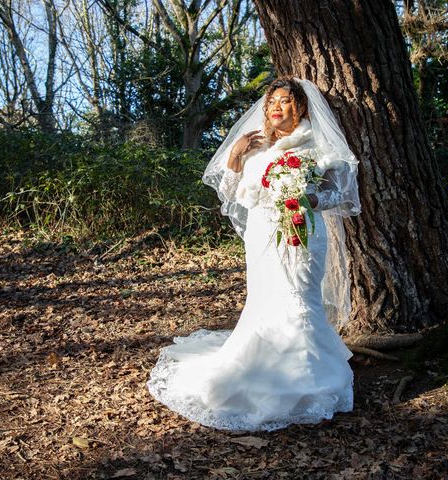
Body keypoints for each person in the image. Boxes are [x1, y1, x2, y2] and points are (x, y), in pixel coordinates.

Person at [147, 77, 361, 431]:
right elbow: (231, 194)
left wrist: (311, 200)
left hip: (303, 232)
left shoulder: (318, 146)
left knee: (300, 299)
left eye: (285, 100)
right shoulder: (256, 147)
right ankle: (266, 372)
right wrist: (235, 154)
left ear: (302, 107)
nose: (276, 106)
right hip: (262, 233)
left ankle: (311, 381)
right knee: (266, 302)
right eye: (271, 101)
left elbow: (343, 195)